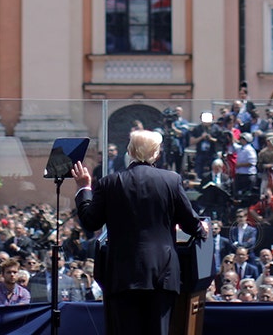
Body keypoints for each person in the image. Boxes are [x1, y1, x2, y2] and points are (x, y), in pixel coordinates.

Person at [72, 127, 205, 335]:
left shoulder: (110, 182)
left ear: (130, 152)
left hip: (122, 273)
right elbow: (190, 223)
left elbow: (90, 222)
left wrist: (83, 188)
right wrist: (201, 229)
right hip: (162, 272)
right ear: (157, 153)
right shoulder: (171, 180)